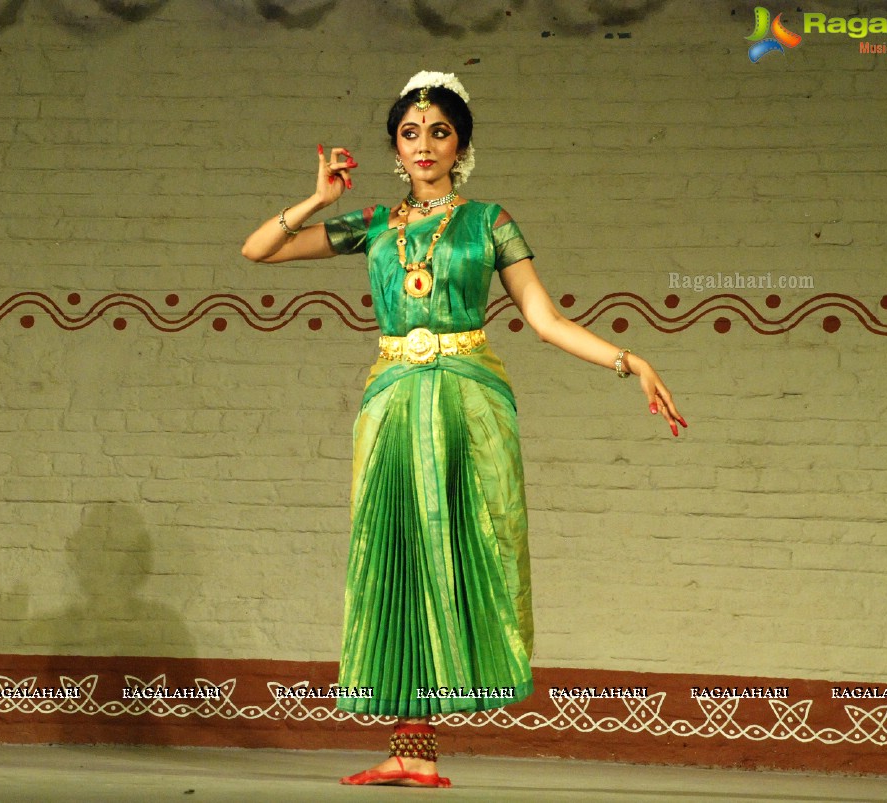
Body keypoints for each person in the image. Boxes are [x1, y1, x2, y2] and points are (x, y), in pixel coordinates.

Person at [242, 70, 686, 788]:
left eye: (439, 132)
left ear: (461, 146)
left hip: (465, 396)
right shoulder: (375, 225)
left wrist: (628, 360)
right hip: (391, 399)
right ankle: (409, 750)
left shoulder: (488, 222)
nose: (424, 145)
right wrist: (320, 200)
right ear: (394, 146)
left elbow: (542, 320)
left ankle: (428, 740)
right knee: (396, 554)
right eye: (410, 133)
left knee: (458, 550)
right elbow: (257, 250)